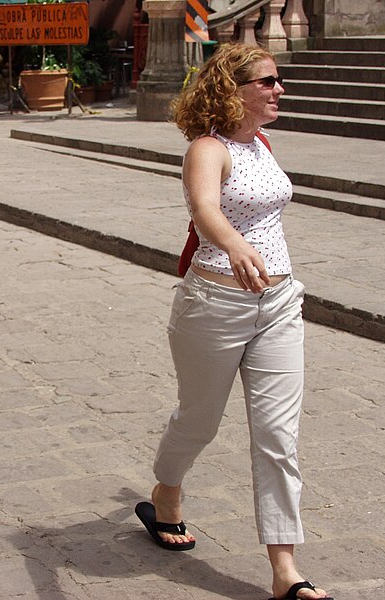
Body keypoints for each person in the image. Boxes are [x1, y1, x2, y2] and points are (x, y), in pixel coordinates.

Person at [134, 43, 333, 600]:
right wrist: (236, 246)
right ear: (234, 89)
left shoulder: (263, 144)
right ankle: (166, 492)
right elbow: (205, 208)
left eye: (277, 81)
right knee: (199, 421)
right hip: (214, 306)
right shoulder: (208, 147)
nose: (279, 90)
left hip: (278, 304)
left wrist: (262, 260)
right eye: (268, 82)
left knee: (278, 438)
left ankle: (284, 569)